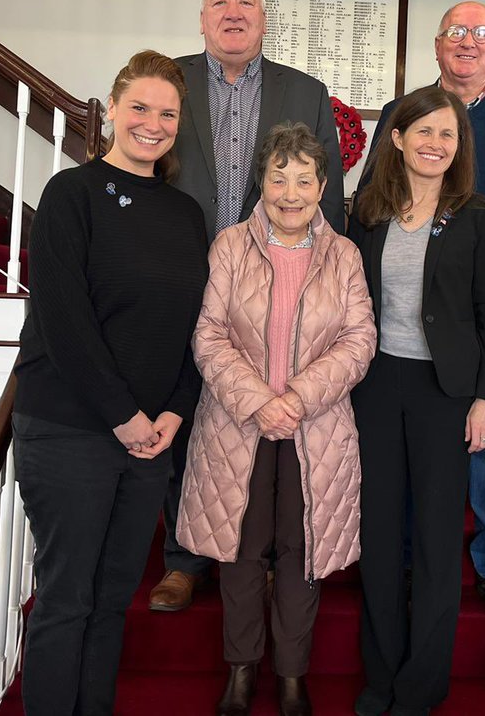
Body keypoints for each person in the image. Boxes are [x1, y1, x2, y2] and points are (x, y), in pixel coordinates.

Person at [11, 50, 209, 716]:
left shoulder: (185, 216)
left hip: (151, 441)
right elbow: (65, 322)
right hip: (71, 429)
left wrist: (175, 415)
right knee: (67, 600)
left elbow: (197, 329)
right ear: (114, 111)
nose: (152, 124)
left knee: (113, 600)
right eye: (140, 108)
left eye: (167, 113)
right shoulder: (72, 195)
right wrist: (125, 416)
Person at [151, 0, 347, 613]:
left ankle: (257, 551)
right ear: (202, 17)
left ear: (264, 19)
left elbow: (331, 202)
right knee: (186, 410)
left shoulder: (305, 92)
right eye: (220, 3)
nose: (233, 14)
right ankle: (185, 559)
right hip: (180, 285)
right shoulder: (168, 83)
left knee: (264, 422)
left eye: (246, 3)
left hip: (274, 289)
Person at [357, 1, 485, 623]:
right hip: (410, 313)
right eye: (455, 33)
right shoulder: (406, 114)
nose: (467, 43)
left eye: (480, 34)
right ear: (437, 46)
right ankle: (418, 558)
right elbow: (370, 203)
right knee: (416, 449)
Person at [176, 123, 376, 716]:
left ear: (322, 187)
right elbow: (208, 335)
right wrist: (261, 401)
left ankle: (291, 675)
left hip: (317, 431)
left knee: (301, 551)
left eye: (304, 180)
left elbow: (360, 339)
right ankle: (240, 671)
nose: (290, 193)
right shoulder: (231, 246)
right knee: (240, 551)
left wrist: (297, 398)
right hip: (238, 426)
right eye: (278, 177)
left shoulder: (344, 255)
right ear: (260, 181)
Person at [349, 85, 485, 716]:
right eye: (424, 132)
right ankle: (381, 676)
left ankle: (420, 688)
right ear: (397, 138)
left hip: (448, 393)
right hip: (377, 386)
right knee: (381, 537)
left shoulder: (477, 214)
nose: (436, 145)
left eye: (448, 135)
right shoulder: (365, 211)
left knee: (438, 541)